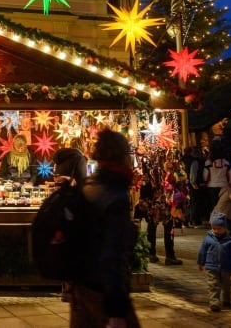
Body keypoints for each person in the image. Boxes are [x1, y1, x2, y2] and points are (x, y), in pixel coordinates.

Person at [69, 129, 140, 328]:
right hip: (101, 290)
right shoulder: (115, 195)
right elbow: (112, 255)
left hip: (81, 286)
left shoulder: (90, 185)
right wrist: (116, 311)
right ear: (122, 157)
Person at [133, 151, 182, 266]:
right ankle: (165, 255)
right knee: (160, 228)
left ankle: (157, 254)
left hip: (160, 205)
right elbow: (145, 191)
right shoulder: (154, 174)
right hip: (158, 205)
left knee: (159, 228)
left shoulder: (165, 174)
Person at [197, 212, 231, 312]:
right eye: (214, 229)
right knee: (213, 285)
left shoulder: (230, 241)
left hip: (226, 267)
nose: (217, 231)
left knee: (226, 284)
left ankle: (226, 299)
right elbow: (202, 252)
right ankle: (214, 303)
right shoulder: (208, 239)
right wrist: (201, 263)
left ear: (225, 228)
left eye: (219, 229)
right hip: (211, 267)